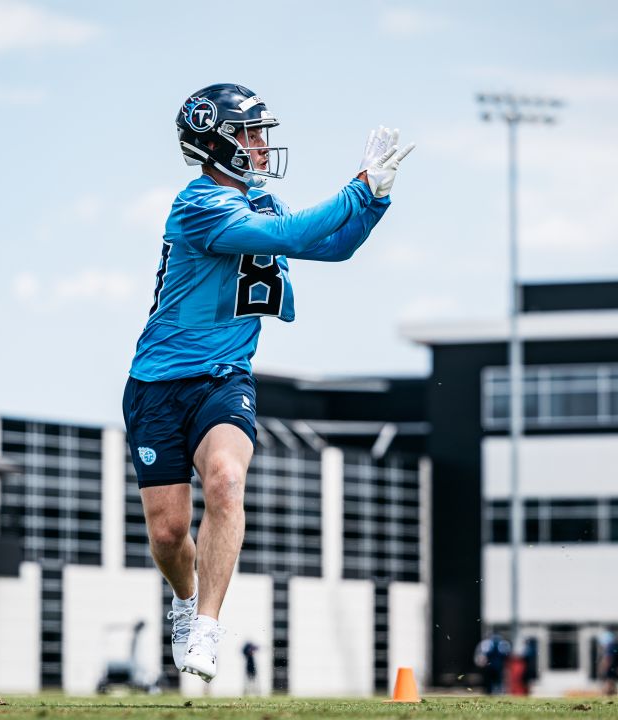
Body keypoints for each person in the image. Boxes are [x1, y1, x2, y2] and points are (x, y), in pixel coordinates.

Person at [123, 83, 413, 684]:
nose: (260, 146)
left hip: (225, 379)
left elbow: (331, 247)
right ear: (215, 141)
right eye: (250, 134)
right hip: (157, 383)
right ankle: (183, 601)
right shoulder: (198, 205)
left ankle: (207, 624)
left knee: (227, 480)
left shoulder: (261, 201)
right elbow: (290, 238)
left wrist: (375, 200)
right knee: (169, 532)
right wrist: (356, 187)